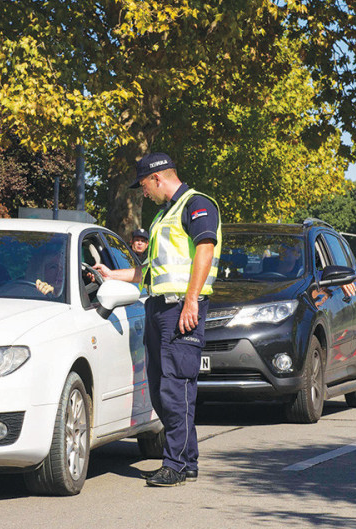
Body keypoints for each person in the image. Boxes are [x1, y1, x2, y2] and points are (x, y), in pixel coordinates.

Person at [93, 152, 220, 487]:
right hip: (160, 308)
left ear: (158, 178)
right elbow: (149, 270)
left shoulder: (196, 205)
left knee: (173, 386)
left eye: (144, 186)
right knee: (165, 387)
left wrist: (191, 300)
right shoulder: (165, 215)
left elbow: (204, 251)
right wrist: (112, 274)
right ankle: (187, 461)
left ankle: (175, 463)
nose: (143, 193)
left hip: (181, 307)